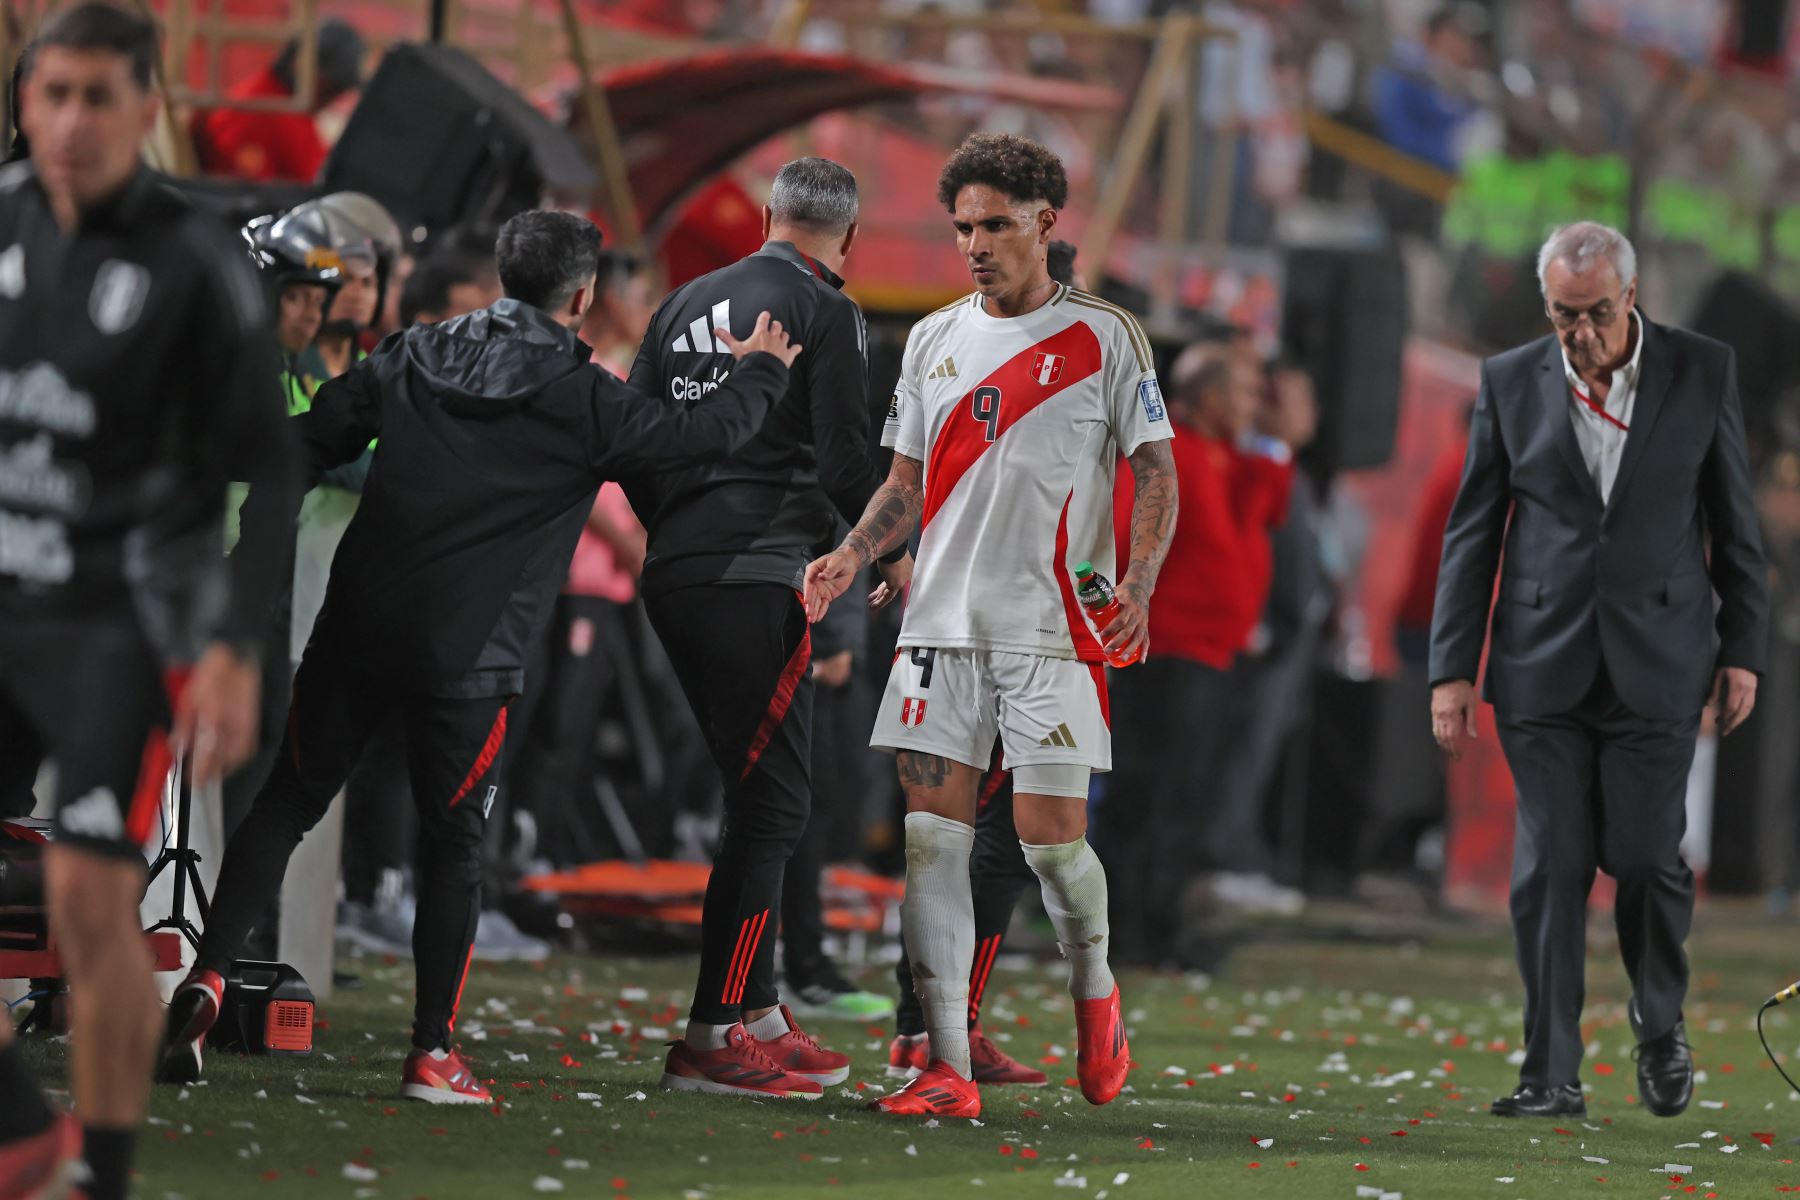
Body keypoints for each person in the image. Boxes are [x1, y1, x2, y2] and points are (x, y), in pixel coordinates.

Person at [158, 211, 800, 1106]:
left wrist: (237, 532)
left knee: (286, 802)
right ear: (582, 297)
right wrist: (763, 368)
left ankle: (213, 973)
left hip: (359, 627)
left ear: (503, 276)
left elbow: (309, 441)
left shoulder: (415, 353)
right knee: (454, 850)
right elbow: (701, 440)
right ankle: (431, 1055)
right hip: (470, 660)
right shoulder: (587, 397)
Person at [806, 132, 1179, 1118]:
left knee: (1053, 850)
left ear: (1046, 224)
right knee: (930, 846)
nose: (973, 243)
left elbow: (1156, 471)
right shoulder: (931, 340)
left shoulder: (1106, 338)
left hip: (1053, 631)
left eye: (994, 225)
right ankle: (943, 1065)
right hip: (937, 630)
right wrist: (852, 553)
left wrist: (1137, 583)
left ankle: (1096, 994)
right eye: (961, 226)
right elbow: (903, 483)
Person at [0, 6, 298, 1197]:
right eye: (50, 93)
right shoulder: (4, 222)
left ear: (144, 107)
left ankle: (104, 1170)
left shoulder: (195, 259)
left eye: (95, 97)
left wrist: (230, 649)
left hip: (116, 625)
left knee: (86, 902)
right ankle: (28, 1138)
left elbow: (270, 467)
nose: (70, 121)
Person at [1430, 221, 1767, 1119]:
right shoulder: (1509, 381)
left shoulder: (1702, 370)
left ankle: (1661, 1026)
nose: (1578, 331)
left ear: (1632, 295)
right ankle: (1550, 1072)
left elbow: (1737, 528)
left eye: (1596, 313)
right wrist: (1449, 670)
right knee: (1551, 866)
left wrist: (1744, 652)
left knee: (1649, 859)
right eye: (1562, 314)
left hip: (1661, 662)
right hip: (1541, 666)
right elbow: (1473, 531)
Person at [625, 156, 905, 1101]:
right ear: (849, 239)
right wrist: (890, 553)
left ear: (768, 218)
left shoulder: (682, 303)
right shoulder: (830, 310)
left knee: (762, 796)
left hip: (679, 570)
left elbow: (633, 440)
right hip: (757, 570)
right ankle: (714, 1033)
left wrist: (675, 526)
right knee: (774, 807)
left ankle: (760, 1012)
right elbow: (839, 462)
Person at [882, 234, 1092, 1081]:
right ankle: (938, 1036)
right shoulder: (1020, 372)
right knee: (983, 839)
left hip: (983, 630)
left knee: (956, 839)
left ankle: (929, 1031)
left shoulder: (961, 352)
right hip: (991, 640)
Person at [1094, 340, 1287, 967]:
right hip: (1167, 654)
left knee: (1186, 801)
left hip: (1209, 653)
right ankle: (1132, 931)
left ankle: (1161, 924)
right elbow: (1118, 536)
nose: (1254, 405)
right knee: (1151, 799)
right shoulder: (1166, 454)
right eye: (1243, 391)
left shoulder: (1220, 457)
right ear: (1206, 397)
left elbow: (1265, 508)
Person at [190, 17, 364, 183]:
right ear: (301, 64)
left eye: (340, 89)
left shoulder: (289, 108)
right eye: (332, 86)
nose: (333, 97)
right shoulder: (260, 108)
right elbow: (244, 191)